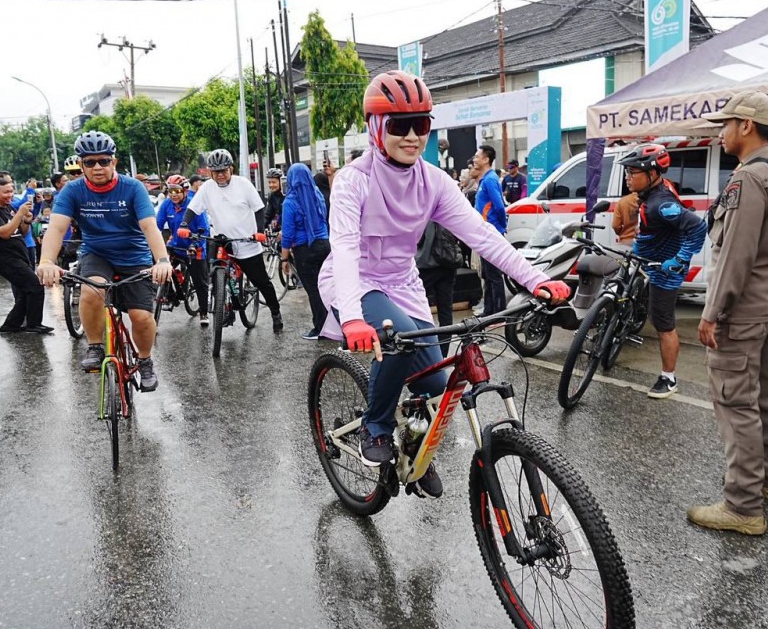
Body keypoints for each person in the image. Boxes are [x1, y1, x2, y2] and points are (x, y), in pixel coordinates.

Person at [317, 70, 570, 499]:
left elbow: (482, 234)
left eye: (422, 124)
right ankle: (375, 427)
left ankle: (412, 450)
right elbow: (342, 246)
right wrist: (354, 318)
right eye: (399, 125)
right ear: (376, 128)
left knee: (437, 386)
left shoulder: (433, 181)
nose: (412, 136)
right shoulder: (353, 180)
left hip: (403, 284)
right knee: (402, 338)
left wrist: (537, 279)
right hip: (354, 282)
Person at [691, 91, 768, 536]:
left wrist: (712, 313)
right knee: (766, 397)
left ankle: (742, 505)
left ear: (746, 126)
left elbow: (735, 255)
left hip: (744, 307)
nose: (721, 132)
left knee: (736, 403)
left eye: (727, 124)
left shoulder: (748, 179)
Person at [36, 131, 172, 392]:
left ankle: (145, 361)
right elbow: (56, 228)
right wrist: (46, 261)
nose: (97, 167)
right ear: (81, 164)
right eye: (89, 162)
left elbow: (149, 227)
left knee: (141, 317)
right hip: (97, 254)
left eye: (103, 161)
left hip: (135, 255)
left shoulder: (133, 188)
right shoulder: (73, 191)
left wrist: (162, 260)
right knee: (92, 289)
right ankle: (96, 346)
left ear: (114, 162)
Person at [619, 143, 706, 398]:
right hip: (647, 256)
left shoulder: (661, 203)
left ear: (652, 173)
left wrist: (679, 259)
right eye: (627, 172)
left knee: (662, 323)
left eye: (632, 172)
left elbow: (697, 228)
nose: (627, 178)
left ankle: (669, 378)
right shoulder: (653, 192)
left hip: (664, 269)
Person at [177, 149, 283, 333]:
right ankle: (222, 307)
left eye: (224, 170)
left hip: (246, 242)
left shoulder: (243, 184)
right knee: (215, 274)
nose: (220, 175)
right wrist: (184, 224)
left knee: (261, 281)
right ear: (210, 171)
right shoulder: (207, 188)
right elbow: (193, 209)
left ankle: (276, 313)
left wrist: (259, 232)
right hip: (221, 240)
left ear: (231, 169)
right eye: (216, 171)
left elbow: (259, 209)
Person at [0, 177, 52, 335]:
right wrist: (19, 214)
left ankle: (11, 325)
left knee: (25, 291)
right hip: (4, 259)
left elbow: (21, 232)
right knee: (35, 286)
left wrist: (26, 221)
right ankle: (33, 324)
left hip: (20, 255)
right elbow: (5, 233)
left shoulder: (8, 208)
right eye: (6, 192)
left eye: (12, 191)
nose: (10, 195)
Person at [280, 163, 331, 341]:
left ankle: (321, 328)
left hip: (304, 250)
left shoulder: (290, 202)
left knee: (314, 290)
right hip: (325, 245)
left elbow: (288, 234)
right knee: (329, 287)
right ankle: (337, 323)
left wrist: (284, 259)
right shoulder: (317, 194)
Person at [156, 175, 211, 326]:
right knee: (162, 269)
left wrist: (195, 245)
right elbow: (156, 227)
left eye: (177, 191)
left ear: (185, 190)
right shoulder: (166, 205)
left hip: (195, 247)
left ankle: (204, 312)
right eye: (170, 191)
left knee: (200, 282)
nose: (173, 194)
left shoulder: (195, 204)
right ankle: (170, 295)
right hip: (176, 246)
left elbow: (205, 230)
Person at [415, 221, 461, 356]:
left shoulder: (421, 209)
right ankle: (442, 354)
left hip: (424, 266)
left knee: (416, 310)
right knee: (445, 312)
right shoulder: (446, 209)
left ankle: (422, 353)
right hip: (447, 264)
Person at [473, 144, 508, 316]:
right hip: (483, 233)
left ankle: (500, 313)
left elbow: (500, 207)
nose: (475, 159)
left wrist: (500, 227)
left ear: (486, 160)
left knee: (494, 275)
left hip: (491, 233)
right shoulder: (484, 179)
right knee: (487, 274)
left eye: (477, 156)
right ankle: (489, 311)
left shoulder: (490, 180)